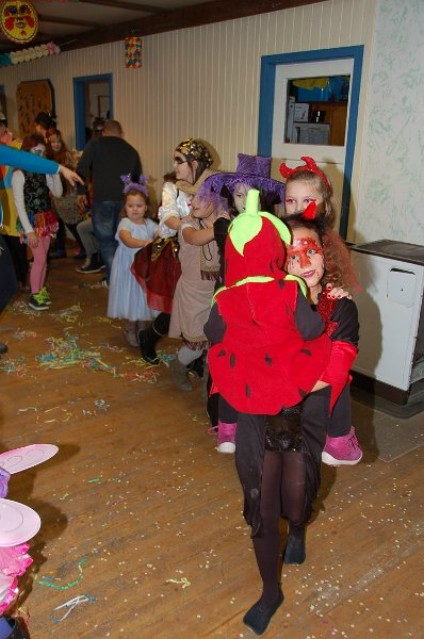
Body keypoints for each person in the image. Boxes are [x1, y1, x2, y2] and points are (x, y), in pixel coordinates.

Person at [205, 190, 357, 635]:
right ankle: (270, 590)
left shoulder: (339, 305)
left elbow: (334, 368)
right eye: (290, 252)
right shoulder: (255, 298)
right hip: (257, 418)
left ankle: (300, 527)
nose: (302, 261)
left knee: (297, 497)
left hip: (305, 418)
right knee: (260, 503)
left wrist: (278, 374)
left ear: (326, 255)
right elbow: (222, 343)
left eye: (311, 250)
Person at [279, 156, 362, 465]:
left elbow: (333, 272)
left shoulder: (327, 241)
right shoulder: (278, 234)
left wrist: (337, 289)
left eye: (307, 200)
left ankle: (337, 436)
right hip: (286, 323)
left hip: (321, 319)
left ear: (324, 204)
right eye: (291, 201)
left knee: (335, 373)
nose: (298, 208)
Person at [201, 155, 286, 452]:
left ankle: (254, 416)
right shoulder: (225, 224)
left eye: (249, 195)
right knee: (224, 355)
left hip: (262, 301)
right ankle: (221, 416)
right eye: (238, 194)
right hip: (230, 297)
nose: (243, 201)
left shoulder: (273, 226)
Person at [137, 138, 215, 365]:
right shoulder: (172, 187)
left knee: (203, 307)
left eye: (179, 161)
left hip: (206, 254)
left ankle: (195, 356)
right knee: (176, 306)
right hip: (176, 254)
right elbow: (169, 217)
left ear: (194, 163)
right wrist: (191, 227)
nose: (174, 165)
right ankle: (149, 337)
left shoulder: (210, 185)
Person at [168, 188, 227, 391]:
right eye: (191, 197)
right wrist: (222, 227)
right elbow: (193, 238)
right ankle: (178, 366)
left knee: (216, 345)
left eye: (200, 197)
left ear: (216, 199)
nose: (192, 201)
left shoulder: (225, 221)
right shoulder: (188, 224)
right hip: (192, 296)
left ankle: (209, 389)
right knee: (195, 346)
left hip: (217, 295)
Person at [76, 119, 142, 285]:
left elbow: (81, 168)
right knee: (123, 242)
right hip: (125, 203)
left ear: (104, 132)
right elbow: (138, 181)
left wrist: (81, 192)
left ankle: (114, 281)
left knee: (106, 244)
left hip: (102, 200)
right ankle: (123, 280)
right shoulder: (131, 150)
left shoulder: (95, 145)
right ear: (120, 133)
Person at [11, 134, 63, 311]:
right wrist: (29, 231)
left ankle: (39, 291)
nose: (40, 155)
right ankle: (34, 294)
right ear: (27, 151)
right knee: (39, 258)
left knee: (44, 260)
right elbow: (19, 204)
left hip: (46, 220)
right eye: (36, 151)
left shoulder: (43, 171)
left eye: (42, 152)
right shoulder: (19, 173)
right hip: (31, 222)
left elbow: (58, 192)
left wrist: (55, 173)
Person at [107, 175, 159, 347]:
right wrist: (145, 243)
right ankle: (129, 328)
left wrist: (163, 233)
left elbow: (159, 233)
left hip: (144, 269)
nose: (135, 209)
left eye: (139, 205)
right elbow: (127, 240)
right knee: (130, 298)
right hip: (128, 269)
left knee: (143, 298)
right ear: (125, 207)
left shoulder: (149, 224)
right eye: (130, 206)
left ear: (146, 207)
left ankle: (143, 329)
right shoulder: (125, 223)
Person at [46, 128, 85, 258]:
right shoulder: (47, 156)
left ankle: (85, 247)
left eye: (58, 141)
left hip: (67, 195)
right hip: (55, 197)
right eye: (53, 142)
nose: (56, 144)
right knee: (58, 223)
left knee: (72, 223)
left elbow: (71, 173)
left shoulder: (66, 155)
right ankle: (60, 248)